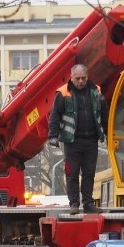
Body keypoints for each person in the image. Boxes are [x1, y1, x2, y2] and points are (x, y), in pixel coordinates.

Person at [47, 63, 109, 214]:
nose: (81, 81)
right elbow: (54, 116)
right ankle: (74, 204)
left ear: (87, 77)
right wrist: (53, 136)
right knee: (72, 173)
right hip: (72, 142)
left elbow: (105, 114)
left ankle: (88, 203)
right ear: (71, 77)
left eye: (83, 78)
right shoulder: (63, 93)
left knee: (89, 173)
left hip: (91, 141)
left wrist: (107, 133)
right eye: (77, 79)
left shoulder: (96, 91)